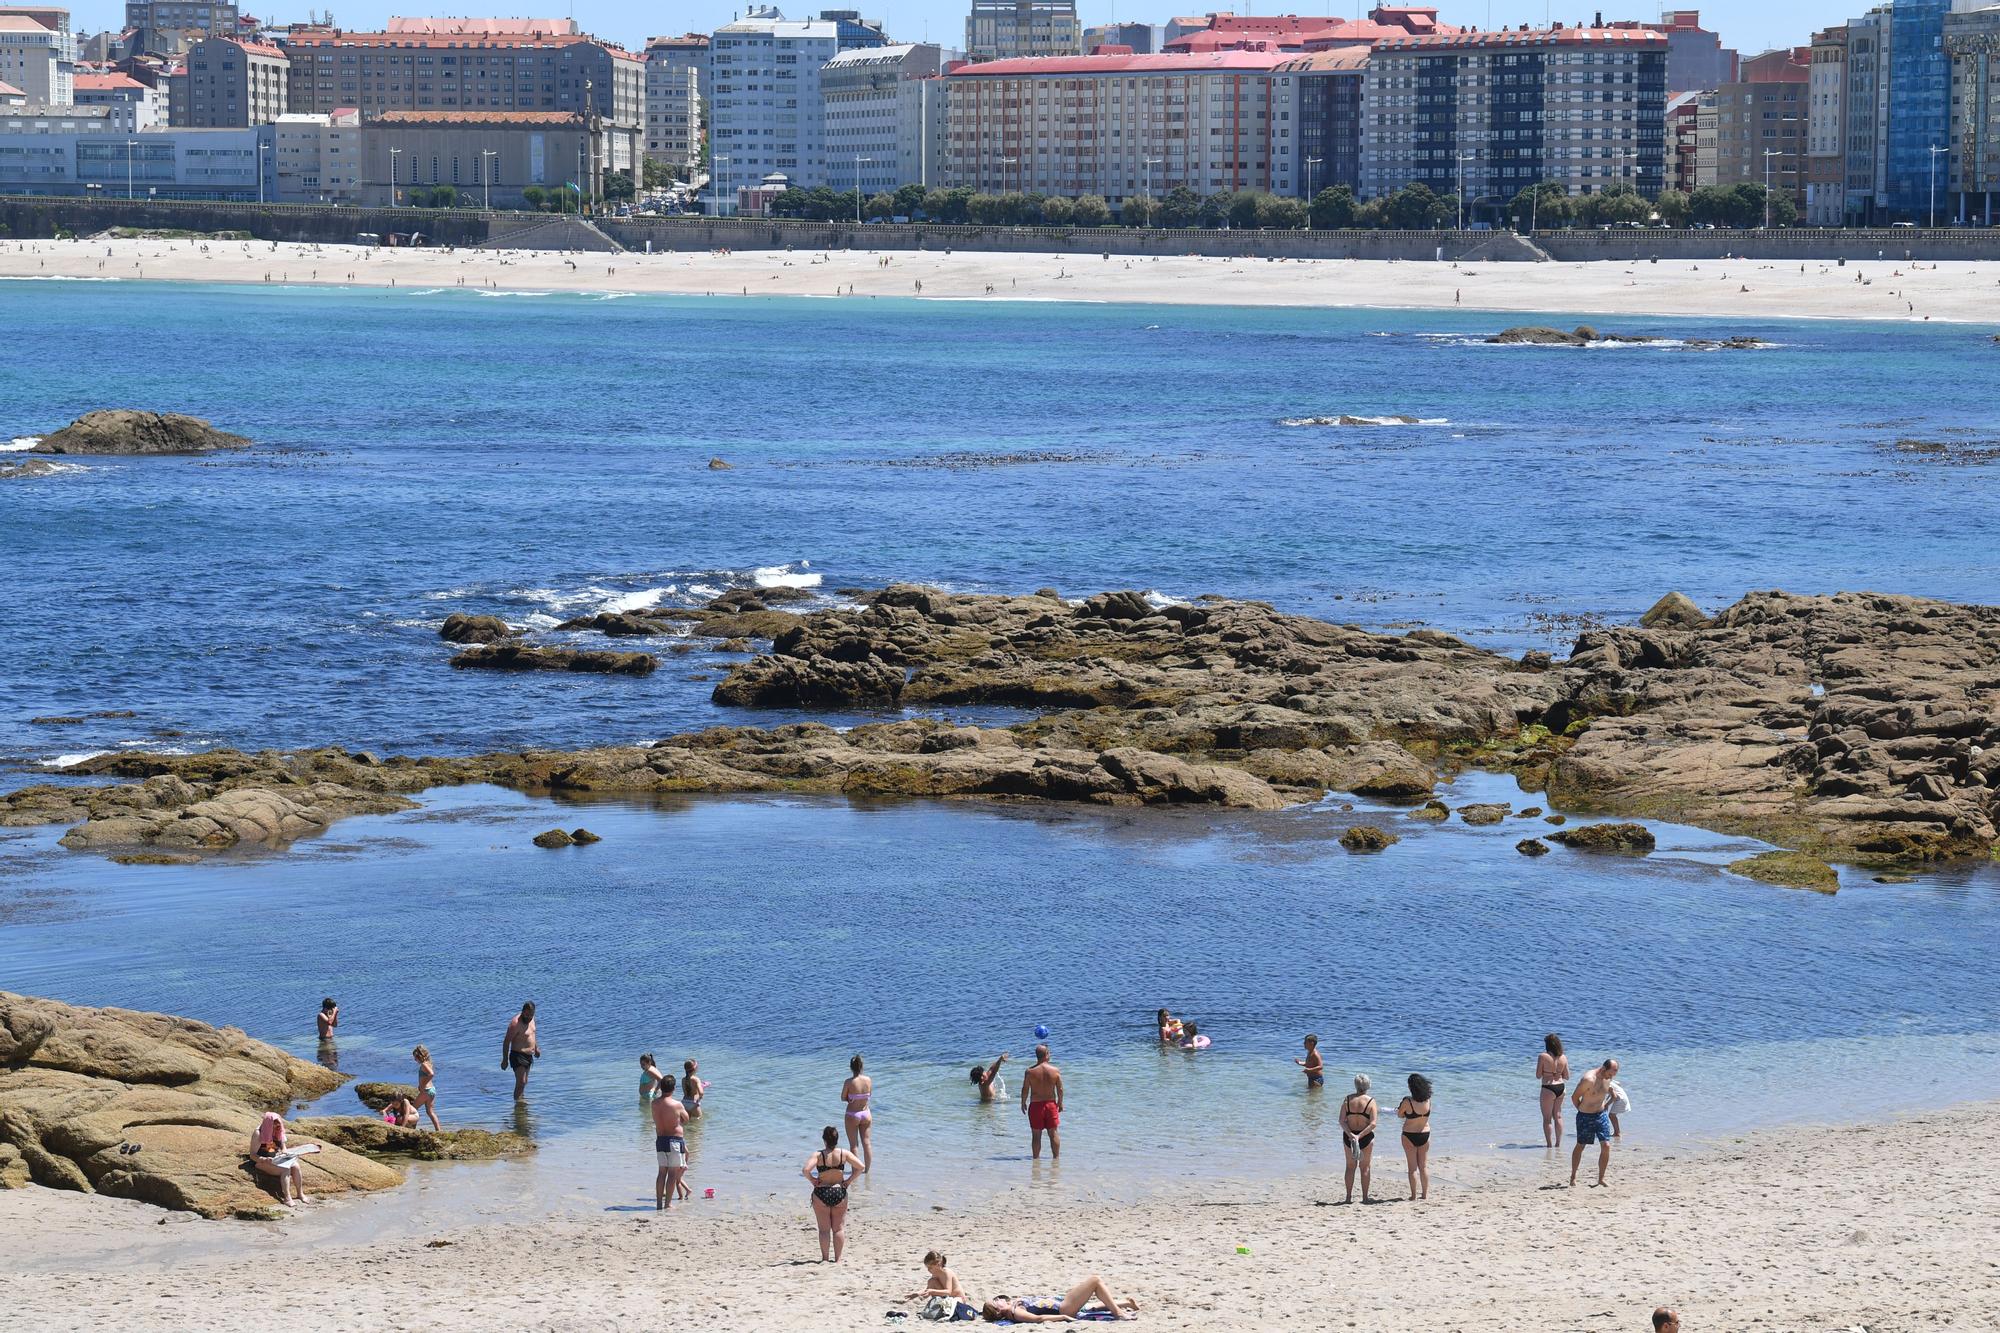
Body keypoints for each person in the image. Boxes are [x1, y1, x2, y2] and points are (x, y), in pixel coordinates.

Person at [803, 1125, 863, 1262]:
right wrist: (848, 1181)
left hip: (821, 1193)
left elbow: (806, 1170)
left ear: (824, 1140)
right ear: (837, 1140)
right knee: (838, 1229)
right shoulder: (843, 1153)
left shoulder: (819, 1155)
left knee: (824, 1230)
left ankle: (825, 1259)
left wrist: (813, 1180)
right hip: (839, 1192)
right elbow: (861, 1167)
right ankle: (838, 1259)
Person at [980, 1276, 1140, 1322]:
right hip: (1063, 1308)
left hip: (1061, 1302)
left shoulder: (1013, 1306)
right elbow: (1038, 1318)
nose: (999, 1299)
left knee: (1090, 1306)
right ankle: (1119, 1313)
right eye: (996, 1302)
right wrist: (1063, 1317)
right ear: (998, 1310)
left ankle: (1126, 1303)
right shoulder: (1015, 1313)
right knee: (1095, 1281)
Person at [1569, 1058, 1620, 1188]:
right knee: (1581, 1145)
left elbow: (1606, 1090)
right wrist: (1583, 1110)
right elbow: (1574, 1097)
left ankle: (1601, 1178)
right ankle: (1573, 1176)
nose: (1611, 1077)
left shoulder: (1608, 1078)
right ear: (1603, 1069)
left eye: (1613, 1075)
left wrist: (1607, 1102)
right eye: (1609, 1074)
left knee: (1606, 1145)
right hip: (1585, 1116)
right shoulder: (1588, 1079)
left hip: (1601, 1114)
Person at [250, 1111, 313, 1208]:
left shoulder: (278, 1130)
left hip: (276, 1158)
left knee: (296, 1166)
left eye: (278, 1124)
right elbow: (252, 1155)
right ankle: (287, 1198)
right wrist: (263, 1159)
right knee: (285, 1169)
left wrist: (284, 1152)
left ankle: (300, 1194)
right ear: (268, 1124)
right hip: (261, 1161)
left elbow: (283, 1146)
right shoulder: (258, 1133)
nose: (276, 1126)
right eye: (274, 1124)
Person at [651, 1073, 690, 1210]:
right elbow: (686, 1118)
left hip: (660, 1140)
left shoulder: (654, 1104)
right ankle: (667, 1204)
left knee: (661, 1172)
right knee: (672, 1173)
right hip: (674, 1140)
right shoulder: (677, 1105)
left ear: (660, 1087)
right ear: (674, 1089)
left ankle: (658, 1204)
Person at [1021, 1045, 1064, 1161]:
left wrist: (1023, 1102)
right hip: (1050, 1105)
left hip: (1036, 1106)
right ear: (1047, 1054)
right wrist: (1060, 1103)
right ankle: (1056, 1159)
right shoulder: (1055, 1071)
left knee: (1036, 1135)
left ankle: (1036, 1160)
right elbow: (1060, 1089)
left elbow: (1025, 1089)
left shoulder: (1030, 1072)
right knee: (1053, 1133)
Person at [1341, 1074, 1378, 1203]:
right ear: (1368, 1085)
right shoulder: (1370, 1101)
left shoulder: (1347, 1099)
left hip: (1349, 1137)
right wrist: (1359, 1136)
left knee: (1350, 1167)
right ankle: (1365, 1197)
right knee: (1365, 1167)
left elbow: (1341, 1121)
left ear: (1355, 1085)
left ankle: (1348, 1197)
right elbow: (1373, 1123)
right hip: (1365, 1137)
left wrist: (1351, 1134)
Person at [1397, 1073, 1433, 1201]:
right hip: (1425, 1133)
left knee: (1412, 1168)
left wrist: (1402, 1111)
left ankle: (1413, 1196)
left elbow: (1400, 1115)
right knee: (1423, 1166)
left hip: (1409, 1134)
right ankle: (1424, 1195)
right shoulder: (1428, 1099)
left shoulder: (1408, 1101)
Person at [841, 1054, 874, 1173]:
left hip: (852, 1114)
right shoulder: (868, 1080)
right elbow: (869, 1095)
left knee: (854, 1145)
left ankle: (856, 1171)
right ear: (862, 1067)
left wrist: (850, 1098)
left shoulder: (849, 1082)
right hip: (866, 1113)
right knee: (867, 1143)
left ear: (851, 1068)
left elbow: (843, 1098)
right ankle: (867, 1171)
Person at [1537, 1033, 1570, 1148]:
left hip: (1548, 1087)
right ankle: (1558, 1144)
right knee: (1558, 1116)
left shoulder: (1543, 1056)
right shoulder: (1563, 1057)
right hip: (1561, 1087)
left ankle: (1549, 1144)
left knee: (1547, 1119)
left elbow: (1538, 1075)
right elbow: (1567, 1076)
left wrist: (1548, 1072)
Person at [502, 1002, 539, 1099]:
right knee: (521, 1082)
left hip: (528, 1056)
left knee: (524, 1082)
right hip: (517, 1055)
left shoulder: (532, 1019)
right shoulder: (515, 1024)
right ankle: (517, 1108)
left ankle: (521, 1103)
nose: (528, 1017)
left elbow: (532, 1034)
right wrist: (505, 1060)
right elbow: (506, 1042)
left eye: (531, 1015)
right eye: (526, 1015)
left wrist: (536, 1048)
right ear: (522, 1012)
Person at [412, 1045, 442, 1130]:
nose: (415, 1060)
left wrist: (422, 1085)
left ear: (420, 1056)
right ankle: (438, 1130)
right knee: (430, 1112)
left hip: (426, 1090)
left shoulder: (424, 1064)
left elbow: (431, 1074)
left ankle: (412, 1128)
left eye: (415, 1058)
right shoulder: (429, 1063)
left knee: (413, 1109)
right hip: (432, 1090)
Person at [1608, 1071, 1631, 1138]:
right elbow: (1619, 1083)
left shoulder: (1605, 1083)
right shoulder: (1609, 1080)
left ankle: (1617, 1133)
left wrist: (1606, 1105)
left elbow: (1614, 1096)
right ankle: (1617, 1132)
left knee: (1611, 1115)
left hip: (1620, 1099)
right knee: (1612, 1115)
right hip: (1624, 1097)